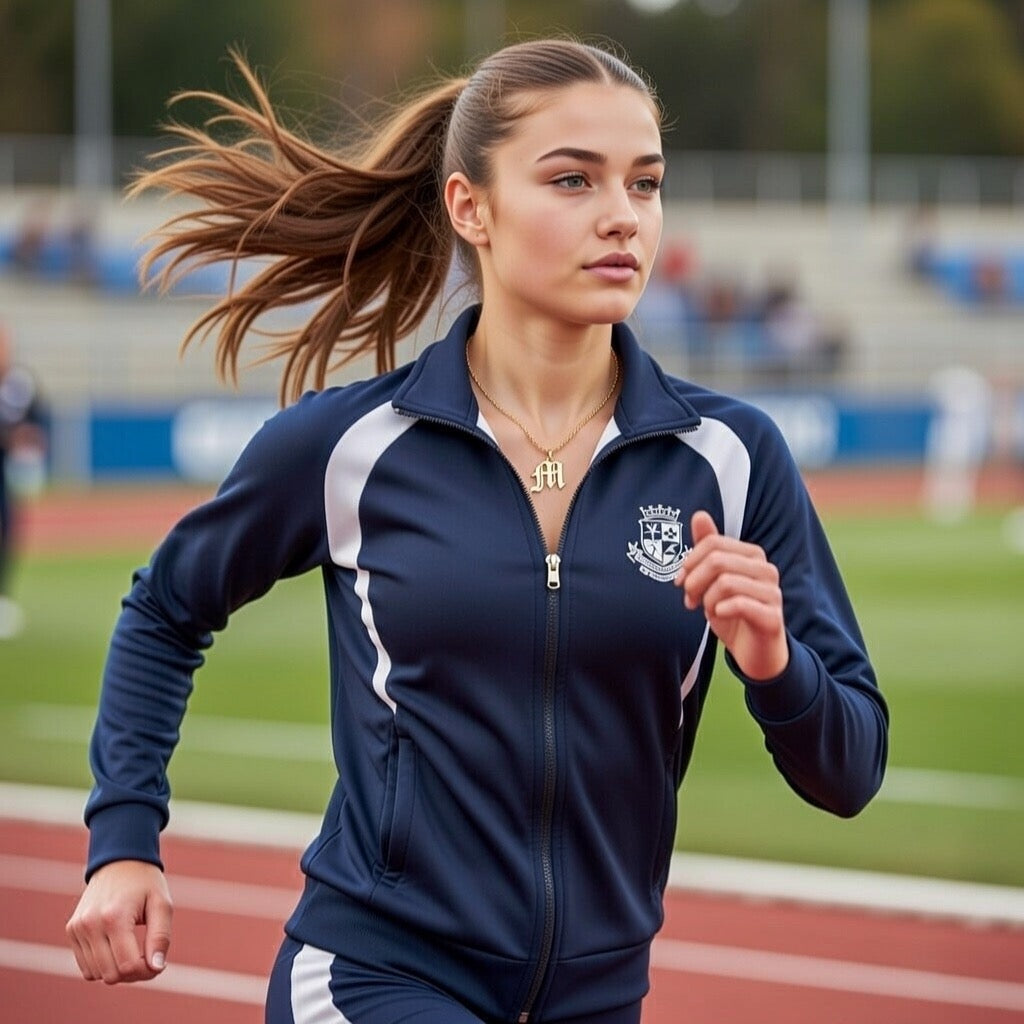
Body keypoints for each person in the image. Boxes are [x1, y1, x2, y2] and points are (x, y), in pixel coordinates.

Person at [65, 39, 888, 1024]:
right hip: (373, 975)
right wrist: (123, 841)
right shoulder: (349, 446)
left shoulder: (732, 457)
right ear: (470, 207)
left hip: (599, 996)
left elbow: (851, 772)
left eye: (645, 182)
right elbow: (166, 608)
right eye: (573, 180)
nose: (622, 215)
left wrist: (775, 664)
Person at [0, 322, 47, 639]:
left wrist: (30, 438)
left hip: (5, 471)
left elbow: (38, 419)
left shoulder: (20, 384)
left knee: (7, 528)